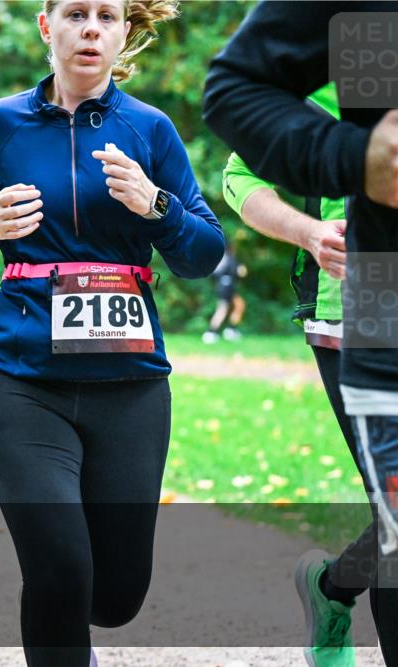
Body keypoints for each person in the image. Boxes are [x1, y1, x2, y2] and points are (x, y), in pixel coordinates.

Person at [0, 1, 223, 664]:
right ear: (46, 26)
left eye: (107, 17)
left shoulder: (151, 129)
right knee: (58, 567)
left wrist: (158, 206)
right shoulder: (1, 123)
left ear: (123, 33)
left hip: (131, 388)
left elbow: (205, 253)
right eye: (76, 13)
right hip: (20, 380)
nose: (91, 28)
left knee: (114, 596)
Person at [203, 3, 398, 665]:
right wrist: (309, 232)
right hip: (356, 317)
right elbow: (239, 175)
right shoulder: (325, 80)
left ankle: (333, 585)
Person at [202, 243, 247, 343]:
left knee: (239, 305)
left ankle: (230, 329)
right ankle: (212, 332)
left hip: (222, 285)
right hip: (228, 286)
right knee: (223, 309)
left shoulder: (221, 258)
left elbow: (214, 273)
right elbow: (241, 272)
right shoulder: (231, 259)